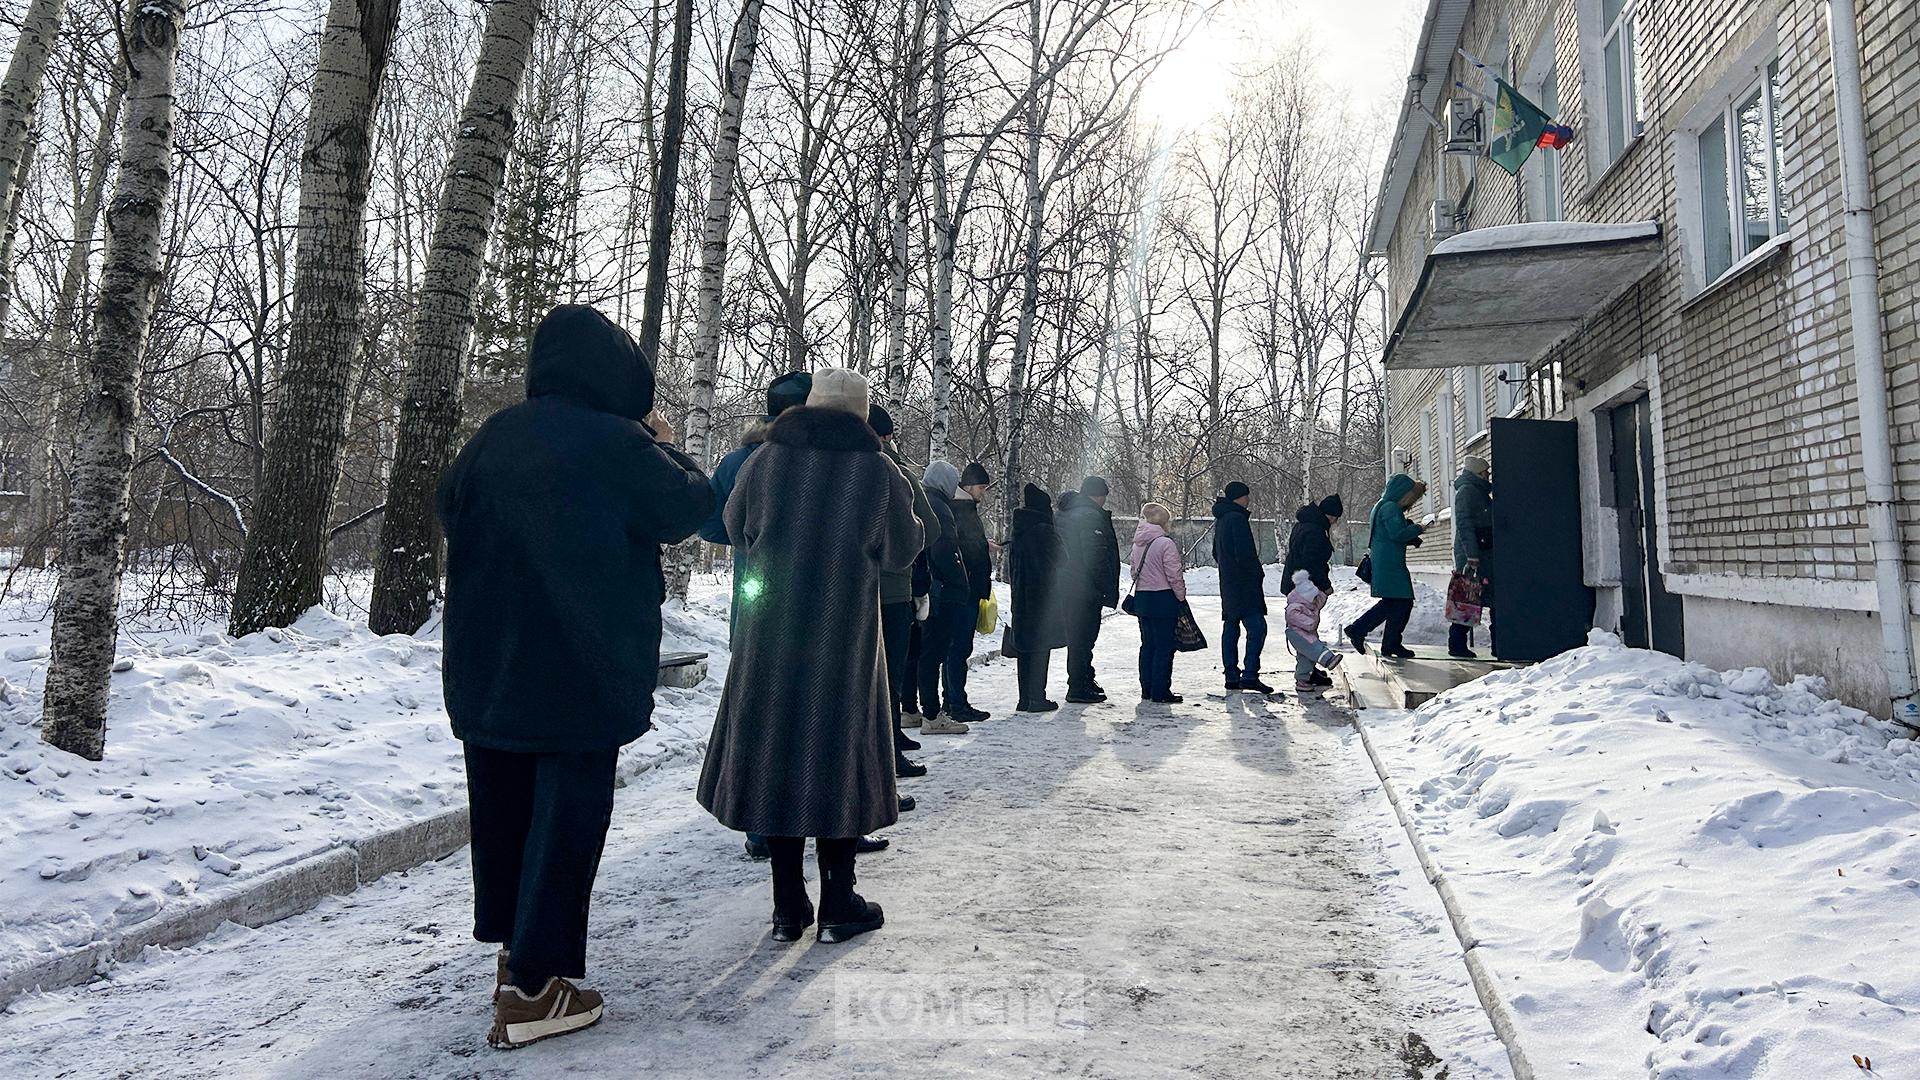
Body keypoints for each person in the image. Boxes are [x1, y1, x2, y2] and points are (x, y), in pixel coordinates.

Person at [438, 304, 711, 1049]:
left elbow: (446, 508)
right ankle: (536, 989)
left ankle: (512, 955)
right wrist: (668, 446)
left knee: (506, 815)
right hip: (580, 671)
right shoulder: (618, 443)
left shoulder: (491, 439)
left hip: (489, 669)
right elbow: (690, 504)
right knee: (567, 825)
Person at [698, 368, 923, 946]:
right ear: (861, 414)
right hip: (843, 641)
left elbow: (731, 526)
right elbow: (903, 548)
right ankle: (838, 901)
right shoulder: (875, 470)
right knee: (838, 758)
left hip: (770, 635)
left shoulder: (764, 462)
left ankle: (786, 903)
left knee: (776, 753)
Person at [870, 403, 936, 773]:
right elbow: (928, 529)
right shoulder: (891, 471)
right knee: (888, 677)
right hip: (892, 589)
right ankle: (887, 758)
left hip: (840, 593)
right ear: (887, 436)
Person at [916, 461, 973, 734]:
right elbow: (946, 550)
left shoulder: (923, 500)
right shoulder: (939, 508)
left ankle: (918, 709)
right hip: (942, 592)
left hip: (930, 588)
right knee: (934, 652)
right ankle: (931, 713)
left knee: (925, 652)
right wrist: (959, 582)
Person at [1344, 475, 1427, 659]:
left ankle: (1389, 642)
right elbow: (1397, 533)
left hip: (1385, 561)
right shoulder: (1390, 507)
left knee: (1396, 603)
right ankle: (1360, 630)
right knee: (1400, 602)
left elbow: (1389, 534)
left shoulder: (1382, 505)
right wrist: (1418, 528)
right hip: (1390, 564)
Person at [1054, 476, 1120, 703]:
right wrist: (1103, 587)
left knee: (1077, 639)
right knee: (1083, 639)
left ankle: (1082, 680)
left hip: (1066, 585)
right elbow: (1096, 557)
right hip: (1084, 589)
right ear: (1099, 496)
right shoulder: (1090, 516)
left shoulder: (1064, 514)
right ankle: (1078, 687)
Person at [1007, 483, 1066, 711]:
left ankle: (1024, 698)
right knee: (1041, 647)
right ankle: (1037, 697)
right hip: (1042, 596)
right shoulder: (1044, 530)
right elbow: (1063, 558)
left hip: (1021, 595)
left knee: (1025, 649)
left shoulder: (1018, 529)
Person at [945, 461, 996, 721]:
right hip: (965, 589)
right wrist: (980, 548)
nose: (983, 493)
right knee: (959, 648)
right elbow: (964, 548)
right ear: (968, 486)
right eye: (981, 487)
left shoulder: (961, 507)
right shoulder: (962, 508)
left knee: (955, 648)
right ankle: (956, 703)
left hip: (964, 588)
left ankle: (952, 700)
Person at [1212, 481, 1273, 694]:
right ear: (1239, 497)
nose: (1249, 499)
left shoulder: (1221, 520)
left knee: (1231, 627)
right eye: (1246, 495)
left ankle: (1231, 674)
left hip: (1228, 583)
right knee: (1257, 628)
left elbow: (1216, 553)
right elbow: (1245, 554)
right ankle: (1250, 674)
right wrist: (1256, 574)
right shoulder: (1237, 519)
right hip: (1244, 585)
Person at [1281, 494, 1343, 688]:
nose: (1334, 522)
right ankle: (1307, 673)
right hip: (1305, 587)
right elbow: (1313, 562)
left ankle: (1307, 673)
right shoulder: (1316, 530)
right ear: (1330, 515)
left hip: (1296, 584)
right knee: (1305, 629)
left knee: (1305, 628)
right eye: (1335, 518)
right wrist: (1324, 585)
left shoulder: (1304, 524)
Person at [1130, 502, 1187, 704]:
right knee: (1164, 647)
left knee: (1147, 645)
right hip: (1163, 598)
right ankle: (1160, 690)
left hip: (1143, 599)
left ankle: (1146, 688)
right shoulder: (1165, 543)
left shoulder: (1138, 543)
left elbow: (1133, 571)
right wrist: (1180, 596)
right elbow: (1174, 575)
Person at [1450, 457, 1493, 659]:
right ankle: (1457, 644)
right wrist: (1472, 555)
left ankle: (1497, 642)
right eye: (1486, 471)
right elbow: (1465, 524)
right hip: (1473, 555)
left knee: (1478, 597)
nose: (1488, 475)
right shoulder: (1468, 492)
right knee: (1468, 597)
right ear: (1478, 473)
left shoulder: (1478, 491)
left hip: (1481, 552)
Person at [1284, 570, 1343, 693]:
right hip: (1298, 635)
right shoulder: (1294, 608)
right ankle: (1328, 659)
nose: (1315, 600)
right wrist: (1312, 622)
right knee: (1314, 648)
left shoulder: (1310, 605)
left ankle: (1302, 680)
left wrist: (1324, 593)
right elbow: (1308, 624)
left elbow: (1319, 602)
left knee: (1305, 658)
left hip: (1307, 634)